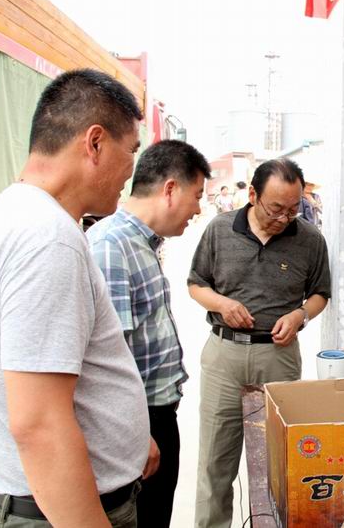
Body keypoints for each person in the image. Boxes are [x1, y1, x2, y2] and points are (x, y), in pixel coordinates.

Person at [0, 69, 150, 527]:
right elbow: (39, 424)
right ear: (95, 143)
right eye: (132, 150)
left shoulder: (5, 216)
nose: (131, 170)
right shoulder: (48, 239)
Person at [188, 158, 331, 527]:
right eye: (276, 208)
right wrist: (222, 304)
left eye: (293, 209)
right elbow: (196, 284)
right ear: (252, 195)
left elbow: (320, 293)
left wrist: (300, 316)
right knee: (215, 461)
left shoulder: (310, 239)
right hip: (224, 356)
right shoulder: (219, 229)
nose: (284, 218)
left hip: (278, 356)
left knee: (276, 460)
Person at [86, 139, 211, 528]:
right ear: (170, 189)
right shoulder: (112, 246)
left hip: (154, 416)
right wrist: (136, 434)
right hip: (138, 422)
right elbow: (109, 360)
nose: (198, 208)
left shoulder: (141, 243)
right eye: (197, 195)